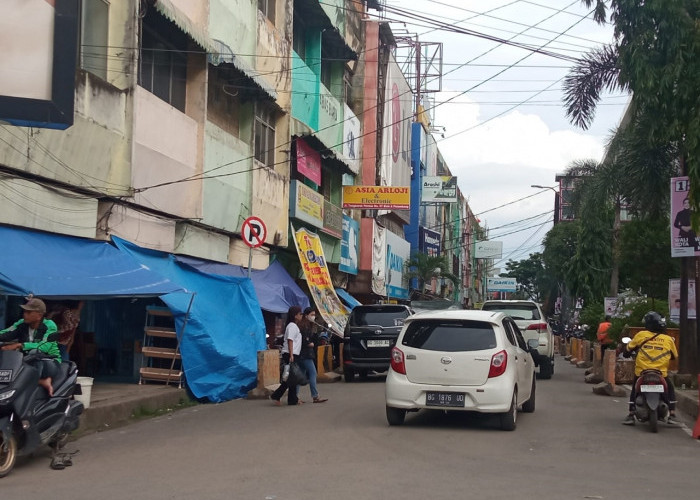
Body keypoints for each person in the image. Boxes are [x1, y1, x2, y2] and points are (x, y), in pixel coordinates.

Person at [621, 311, 679, 426]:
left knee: (635, 390)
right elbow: (674, 357)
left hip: (642, 372)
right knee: (670, 389)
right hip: (661, 373)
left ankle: (631, 414)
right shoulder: (668, 339)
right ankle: (672, 414)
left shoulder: (641, 335)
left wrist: (628, 352)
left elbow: (627, 350)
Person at [0, 297, 61, 397]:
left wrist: (20, 345)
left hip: (49, 361)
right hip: (26, 361)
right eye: (24, 311)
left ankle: (43, 382)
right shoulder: (21, 324)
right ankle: (42, 382)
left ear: (39, 315)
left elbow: (44, 347)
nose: (25, 314)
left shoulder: (50, 326)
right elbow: (5, 333)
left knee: (35, 353)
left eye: (29, 312)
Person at [270, 306, 303, 406]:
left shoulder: (293, 326)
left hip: (292, 353)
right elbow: (290, 340)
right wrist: (292, 354)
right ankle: (289, 399)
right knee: (291, 378)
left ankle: (286, 398)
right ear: (295, 315)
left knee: (290, 378)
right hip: (290, 354)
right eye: (300, 314)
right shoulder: (292, 326)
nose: (301, 315)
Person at [297, 307, 328, 404]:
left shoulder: (308, 326)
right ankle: (315, 396)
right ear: (306, 315)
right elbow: (303, 340)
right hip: (305, 354)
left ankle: (295, 396)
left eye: (314, 315)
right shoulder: (304, 326)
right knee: (313, 373)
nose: (313, 317)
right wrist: (309, 343)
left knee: (300, 376)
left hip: (302, 354)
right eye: (312, 315)